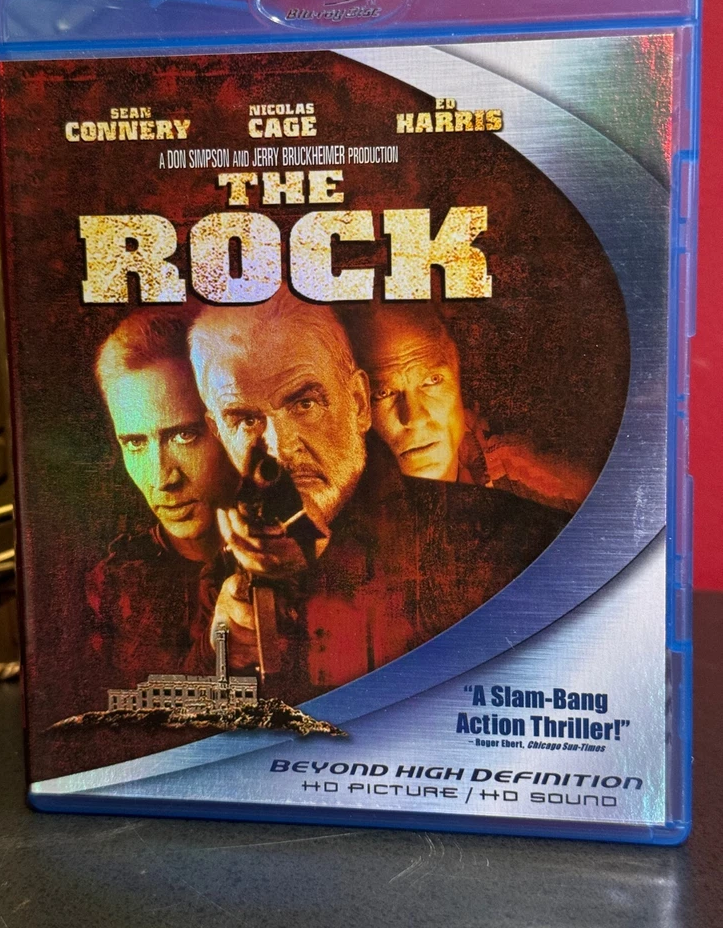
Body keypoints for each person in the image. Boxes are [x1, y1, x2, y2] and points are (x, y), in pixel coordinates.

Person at [189, 290, 569, 705]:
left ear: (357, 403)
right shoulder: (221, 576)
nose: (278, 450)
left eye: (304, 404)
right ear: (218, 431)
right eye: (245, 420)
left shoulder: (504, 537)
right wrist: (221, 656)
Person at [85, 306, 237, 694]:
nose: (161, 479)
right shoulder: (112, 586)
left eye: (184, 436)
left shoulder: (308, 553)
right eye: (135, 443)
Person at [344, 304, 592, 513]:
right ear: (358, 404)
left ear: (457, 372)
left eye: (432, 381)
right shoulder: (339, 513)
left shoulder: (542, 488)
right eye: (383, 393)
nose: (415, 417)